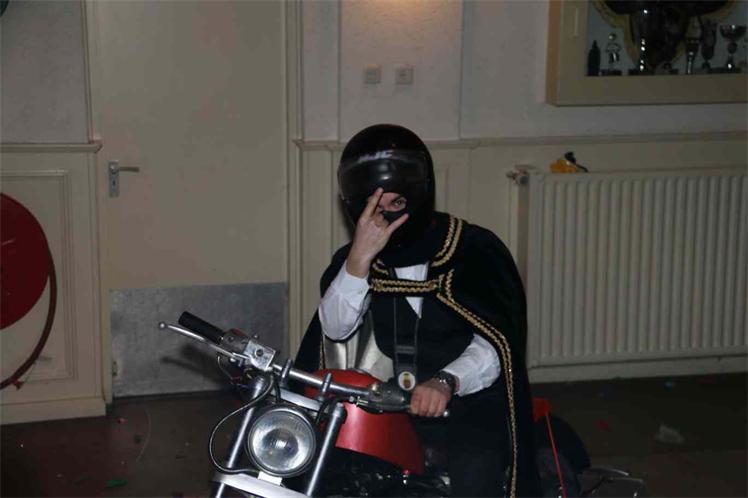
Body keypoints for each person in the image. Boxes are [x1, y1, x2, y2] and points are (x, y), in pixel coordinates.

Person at [296, 124, 539, 497]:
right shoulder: (357, 258)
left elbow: (496, 344)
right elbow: (335, 328)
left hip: (471, 395)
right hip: (393, 397)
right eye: (372, 206)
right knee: (334, 468)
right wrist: (358, 261)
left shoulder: (474, 250)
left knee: (476, 468)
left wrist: (446, 381)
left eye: (395, 204)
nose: (384, 217)